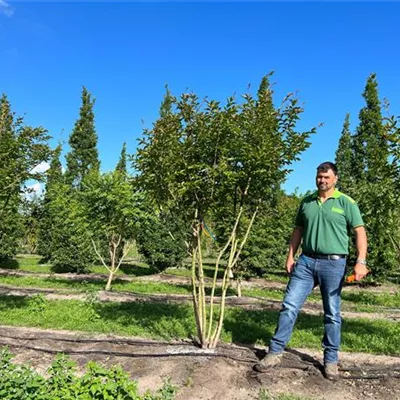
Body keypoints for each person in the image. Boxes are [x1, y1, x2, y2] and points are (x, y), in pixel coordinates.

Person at [254, 162, 368, 380]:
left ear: (335, 179)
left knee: (332, 313)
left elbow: (359, 232)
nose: (322, 180)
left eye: (326, 177)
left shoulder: (346, 202)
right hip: (306, 262)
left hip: (334, 264)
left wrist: (360, 261)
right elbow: (298, 230)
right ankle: (275, 352)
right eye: (319, 177)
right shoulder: (307, 201)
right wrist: (290, 255)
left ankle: (331, 360)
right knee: (289, 305)